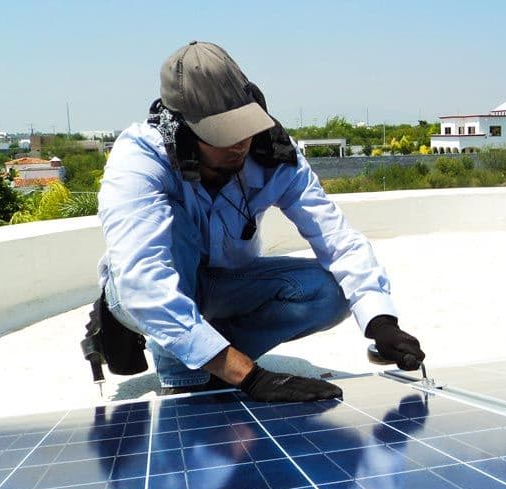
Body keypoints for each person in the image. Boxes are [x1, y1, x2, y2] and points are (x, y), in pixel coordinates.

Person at [96, 41, 424, 402]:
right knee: (172, 229)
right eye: (222, 134)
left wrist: (381, 321)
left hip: (227, 282)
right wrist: (250, 378)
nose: (239, 144)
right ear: (183, 131)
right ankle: (185, 367)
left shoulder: (274, 154)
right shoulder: (140, 158)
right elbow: (144, 281)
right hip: (141, 291)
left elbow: (336, 238)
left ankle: (209, 354)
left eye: (244, 127)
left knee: (330, 293)